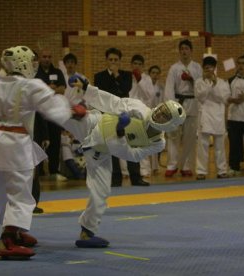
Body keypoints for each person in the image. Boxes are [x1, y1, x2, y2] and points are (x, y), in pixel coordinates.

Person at [0, 46, 74, 260]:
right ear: (24, 63)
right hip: (16, 141)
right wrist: (73, 109)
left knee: (1, 187)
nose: (34, 65)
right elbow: (53, 108)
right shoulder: (31, 85)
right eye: (31, 61)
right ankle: (9, 239)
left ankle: (13, 230)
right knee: (20, 188)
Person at [64, 78, 185, 248]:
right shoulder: (140, 108)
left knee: (102, 193)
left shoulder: (158, 142)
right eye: (162, 110)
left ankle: (87, 233)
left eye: (165, 116)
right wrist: (86, 88)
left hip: (101, 152)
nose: (159, 114)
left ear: (170, 125)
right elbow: (112, 102)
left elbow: (132, 155)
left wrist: (120, 133)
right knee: (57, 113)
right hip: (94, 123)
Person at [94, 47, 148, 187]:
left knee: (132, 144)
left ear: (120, 61)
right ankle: (115, 178)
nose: (113, 62)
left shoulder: (126, 75)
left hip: (125, 113)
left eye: (116, 60)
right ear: (106, 61)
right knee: (112, 146)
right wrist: (112, 76)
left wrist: (116, 74)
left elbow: (125, 89)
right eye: (110, 60)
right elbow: (104, 92)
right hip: (109, 114)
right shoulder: (99, 76)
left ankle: (136, 177)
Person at [164, 39, 202, 177]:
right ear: (179, 51)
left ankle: (186, 166)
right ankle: (172, 165)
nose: (184, 51)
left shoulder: (197, 68)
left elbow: (201, 86)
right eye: (182, 49)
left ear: (191, 51)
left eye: (186, 48)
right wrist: (172, 106)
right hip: (178, 103)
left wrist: (193, 80)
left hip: (192, 103)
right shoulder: (174, 68)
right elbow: (169, 88)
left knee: (190, 137)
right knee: (173, 136)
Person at [195, 56, 230, 180]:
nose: (208, 70)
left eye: (210, 68)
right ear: (203, 68)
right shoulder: (199, 82)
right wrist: (208, 85)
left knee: (220, 146)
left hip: (218, 117)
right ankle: (201, 171)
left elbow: (224, 98)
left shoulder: (222, 82)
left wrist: (214, 84)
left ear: (215, 68)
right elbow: (200, 97)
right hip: (205, 116)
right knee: (202, 146)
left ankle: (222, 170)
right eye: (206, 68)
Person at [35, 48, 68, 182]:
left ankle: (54, 170)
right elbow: (36, 92)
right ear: (40, 58)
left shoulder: (57, 72)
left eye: (49, 56)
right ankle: (39, 171)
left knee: (55, 142)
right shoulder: (36, 74)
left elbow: (62, 89)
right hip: (40, 114)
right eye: (44, 57)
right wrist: (51, 89)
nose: (47, 59)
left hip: (55, 114)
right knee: (39, 142)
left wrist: (47, 89)